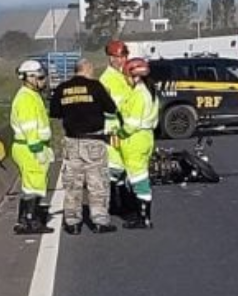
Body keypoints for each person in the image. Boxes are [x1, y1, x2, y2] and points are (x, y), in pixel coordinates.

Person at [49, 58, 121, 235]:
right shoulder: (95, 86)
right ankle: (100, 220)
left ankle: (72, 222)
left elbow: (55, 112)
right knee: (97, 183)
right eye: (93, 69)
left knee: (73, 183)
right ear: (87, 69)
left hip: (72, 141)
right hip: (94, 140)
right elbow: (112, 108)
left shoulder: (62, 88)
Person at [11, 60, 54, 235]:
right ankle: (30, 220)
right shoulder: (26, 98)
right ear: (28, 78)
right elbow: (29, 127)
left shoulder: (31, 95)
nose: (44, 81)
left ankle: (26, 219)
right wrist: (37, 150)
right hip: (30, 148)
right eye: (41, 78)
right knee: (34, 185)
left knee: (32, 184)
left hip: (31, 146)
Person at [116, 58, 158, 229]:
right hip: (145, 136)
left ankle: (143, 217)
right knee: (139, 176)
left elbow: (131, 123)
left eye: (126, 74)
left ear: (135, 76)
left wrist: (120, 132)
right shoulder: (149, 92)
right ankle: (142, 215)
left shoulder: (139, 95)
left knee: (139, 179)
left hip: (135, 139)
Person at [99, 40, 134, 215]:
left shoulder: (122, 76)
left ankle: (122, 203)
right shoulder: (107, 79)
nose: (121, 60)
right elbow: (119, 106)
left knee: (122, 168)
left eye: (123, 56)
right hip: (113, 131)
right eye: (117, 57)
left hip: (124, 129)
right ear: (110, 58)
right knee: (115, 168)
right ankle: (114, 204)